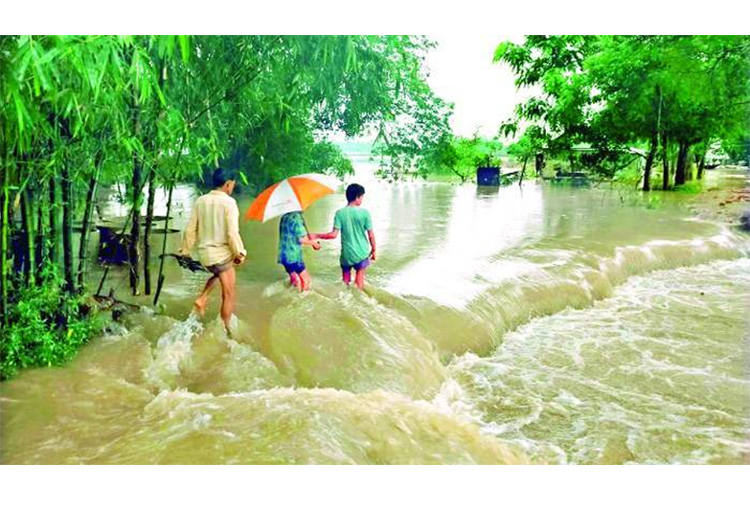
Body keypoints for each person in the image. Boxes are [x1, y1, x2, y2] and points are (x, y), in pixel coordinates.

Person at [178, 168, 246, 332]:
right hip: (221, 255)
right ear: (228, 184)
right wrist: (240, 253)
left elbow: (190, 230)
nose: (232, 188)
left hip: (204, 255)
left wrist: (185, 252)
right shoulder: (229, 203)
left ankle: (202, 298)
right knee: (229, 294)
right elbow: (232, 233)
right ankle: (226, 331)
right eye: (232, 185)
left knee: (221, 271)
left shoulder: (201, 200)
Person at [315, 183, 376, 289]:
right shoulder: (365, 213)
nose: (362, 199)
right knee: (359, 282)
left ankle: (344, 299)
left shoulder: (339, 213)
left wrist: (317, 235)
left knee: (345, 282)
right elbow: (371, 235)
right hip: (361, 254)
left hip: (346, 255)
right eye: (362, 197)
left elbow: (333, 235)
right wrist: (374, 250)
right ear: (357, 197)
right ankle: (357, 300)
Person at [278, 211, 321, 292]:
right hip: (293, 256)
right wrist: (314, 243)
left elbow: (291, 235)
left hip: (283, 255)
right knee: (306, 280)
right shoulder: (296, 218)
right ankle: (303, 299)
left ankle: (290, 297)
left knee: (294, 281)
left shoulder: (284, 217)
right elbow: (300, 239)